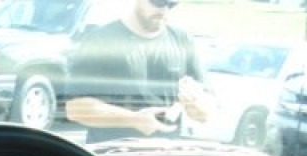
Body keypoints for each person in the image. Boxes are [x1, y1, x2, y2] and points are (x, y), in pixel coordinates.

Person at [65, 0, 213, 143]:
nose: (164, 10)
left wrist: (196, 105)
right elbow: (75, 109)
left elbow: (207, 112)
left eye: (172, 4)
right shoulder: (102, 39)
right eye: (157, 2)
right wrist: (134, 119)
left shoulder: (181, 39)